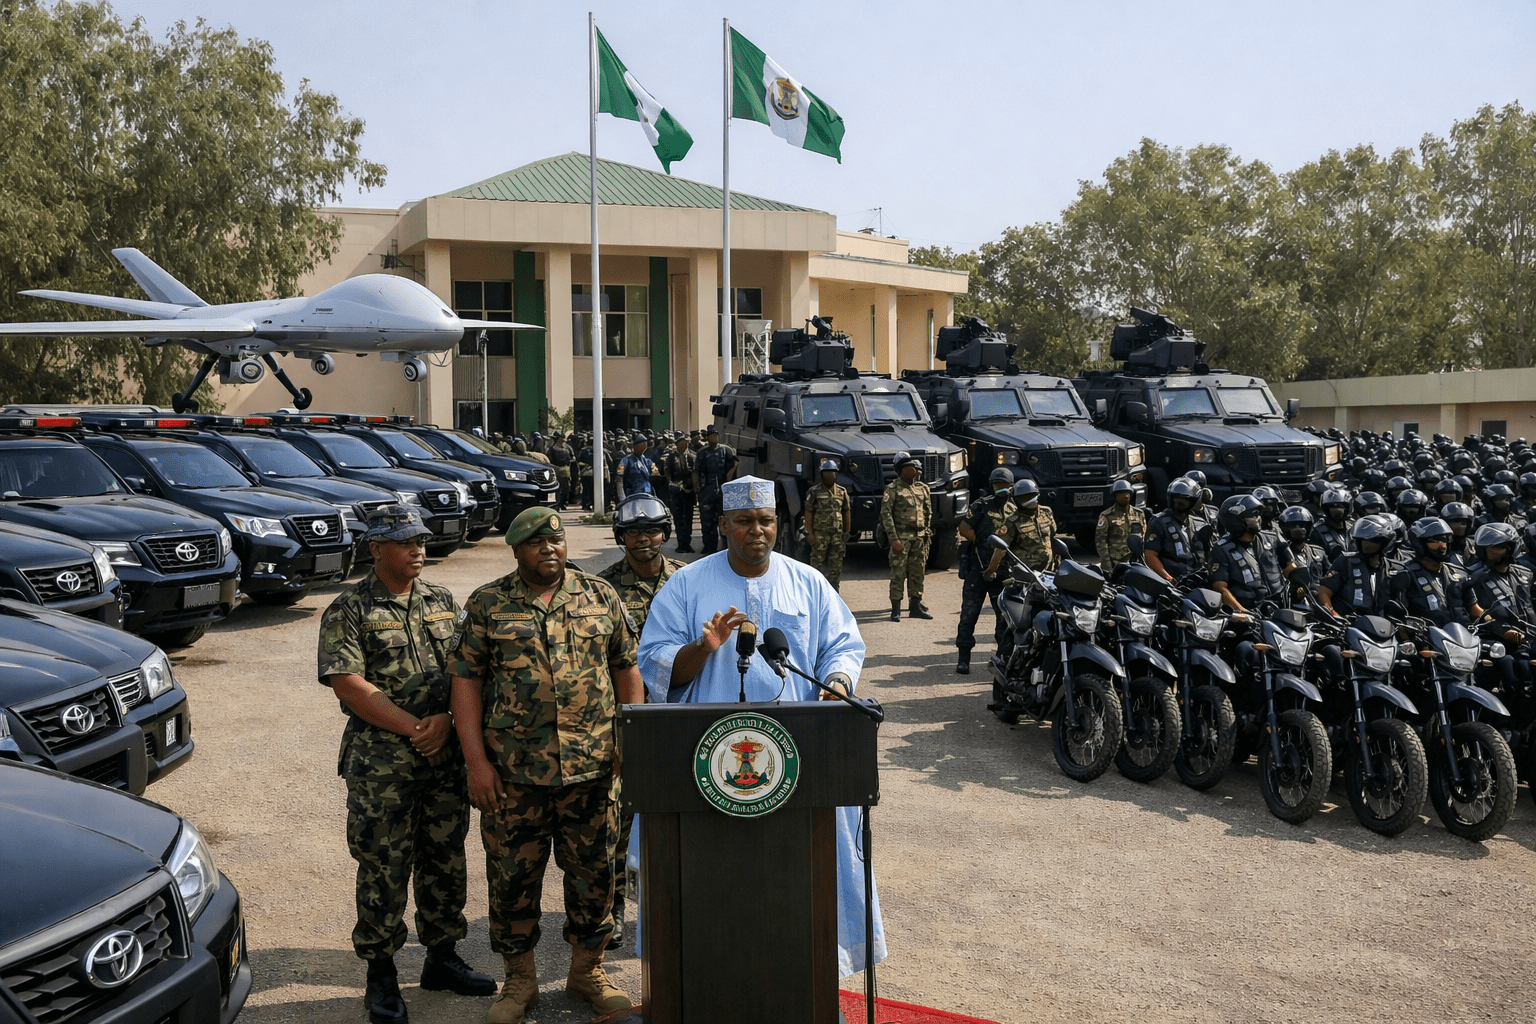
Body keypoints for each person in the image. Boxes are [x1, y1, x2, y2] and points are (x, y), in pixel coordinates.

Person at [635, 475, 885, 977]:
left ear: (778, 524)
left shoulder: (807, 581)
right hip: (707, 758)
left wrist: (836, 680)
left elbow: (841, 646)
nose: (757, 532)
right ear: (723, 524)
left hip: (799, 751)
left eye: (766, 521)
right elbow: (655, 664)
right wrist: (702, 649)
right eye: (744, 522)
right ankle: (709, 972)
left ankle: (808, 970)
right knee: (716, 873)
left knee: (804, 870)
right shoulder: (687, 586)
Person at [449, 508, 643, 1022]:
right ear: (516, 550)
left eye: (555, 541)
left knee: (596, 875)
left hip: (593, 769)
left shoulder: (599, 595)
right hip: (514, 776)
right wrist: (476, 762)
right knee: (512, 879)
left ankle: (587, 973)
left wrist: (631, 736)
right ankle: (520, 983)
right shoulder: (489, 603)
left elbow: (626, 666)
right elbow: (465, 682)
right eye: (536, 544)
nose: (548, 550)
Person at [316, 504, 496, 1024]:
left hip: (443, 762)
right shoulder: (349, 610)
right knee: (383, 868)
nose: (418, 548)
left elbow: (468, 670)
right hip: (382, 770)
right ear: (376, 549)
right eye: (404, 541)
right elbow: (349, 685)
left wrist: (444, 719)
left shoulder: (441, 600)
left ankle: (442, 959)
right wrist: (416, 727)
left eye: (420, 539)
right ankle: (382, 976)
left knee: (445, 861)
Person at [595, 494, 685, 946]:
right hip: (628, 718)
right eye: (633, 533)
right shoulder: (602, 588)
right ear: (621, 538)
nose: (643, 541)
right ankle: (611, 910)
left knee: (680, 818)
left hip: (681, 718)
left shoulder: (688, 582)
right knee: (619, 821)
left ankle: (679, 905)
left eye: (651, 532)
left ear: (665, 533)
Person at [955, 467, 1016, 674]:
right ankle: (964, 658)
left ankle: (1001, 658)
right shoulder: (981, 506)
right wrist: (981, 541)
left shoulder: (1014, 509)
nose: (1002, 489)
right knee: (969, 615)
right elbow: (964, 528)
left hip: (1003, 573)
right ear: (992, 485)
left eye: (1005, 485)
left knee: (1004, 618)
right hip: (978, 570)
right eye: (998, 485)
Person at [1209, 495, 1294, 614]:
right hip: (1249, 614)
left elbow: (1292, 569)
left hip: (1282, 609)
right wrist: (1242, 612)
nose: (1258, 519)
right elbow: (1221, 589)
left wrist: (1299, 587)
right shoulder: (1222, 549)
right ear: (1236, 519)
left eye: (1259, 514)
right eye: (1253, 515)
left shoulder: (1272, 538)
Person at [1390, 517, 1471, 627]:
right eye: (1436, 541)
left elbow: (1475, 609)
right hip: (1426, 640)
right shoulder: (1405, 575)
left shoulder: (1459, 573)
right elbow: (1397, 617)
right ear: (1419, 543)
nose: (1442, 546)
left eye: (1445, 541)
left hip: (1463, 637)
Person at [882, 452, 933, 622]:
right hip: (901, 539)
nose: (914, 470)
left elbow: (928, 511)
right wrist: (894, 539)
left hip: (920, 538)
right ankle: (895, 608)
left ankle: (915, 606)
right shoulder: (893, 489)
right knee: (898, 573)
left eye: (914, 468)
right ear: (901, 470)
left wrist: (926, 532)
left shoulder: (923, 488)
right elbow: (886, 516)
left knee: (918, 572)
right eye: (908, 468)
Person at [1318, 515, 1396, 620]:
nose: (1366, 544)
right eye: (1362, 540)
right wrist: (1334, 615)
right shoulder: (1345, 561)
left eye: (1373, 540)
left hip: (1383, 628)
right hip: (1348, 625)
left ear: (1384, 542)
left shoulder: (1393, 569)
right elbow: (1324, 592)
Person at [1143, 477, 1205, 582]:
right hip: (1173, 584)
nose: (1177, 505)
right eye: (1175, 500)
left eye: (1183, 502)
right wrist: (1169, 579)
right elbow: (1150, 555)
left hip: (1198, 580)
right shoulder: (1159, 522)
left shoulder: (1199, 524)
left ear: (1193, 501)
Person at [804, 458, 852, 590]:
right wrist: (810, 533)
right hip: (820, 535)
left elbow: (846, 511)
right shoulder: (814, 492)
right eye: (827, 473)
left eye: (833, 473)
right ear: (822, 474)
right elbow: (808, 513)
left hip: (837, 535)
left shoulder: (842, 492)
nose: (830, 475)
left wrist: (847, 531)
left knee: (836, 564)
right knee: (817, 564)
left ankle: (834, 590)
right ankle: (817, 590)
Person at [694, 425, 738, 554]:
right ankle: (709, 546)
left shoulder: (726, 451)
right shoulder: (702, 452)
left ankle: (726, 547)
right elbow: (696, 471)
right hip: (707, 491)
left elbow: (733, 467)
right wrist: (697, 489)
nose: (714, 437)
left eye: (716, 435)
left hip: (723, 491)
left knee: (725, 519)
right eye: (712, 435)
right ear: (707, 437)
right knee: (707, 521)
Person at [1094, 479, 1145, 574]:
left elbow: (1143, 539)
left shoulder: (1139, 514)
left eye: (1127, 493)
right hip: (1115, 564)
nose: (1125, 496)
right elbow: (1101, 542)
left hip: (1135, 563)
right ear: (1115, 496)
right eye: (1121, 493)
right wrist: (1107, 567)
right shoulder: (1106, 516)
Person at [661, 433, 697, 553]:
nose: (683, 445)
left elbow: (696, 473)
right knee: (678, 517)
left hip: (689, 492)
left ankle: (687, 543)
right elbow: (667, 472)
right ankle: (681, 543)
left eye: (685, 443)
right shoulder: (671, 457)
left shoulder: (692, 456)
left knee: (688, 518)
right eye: (681, 443)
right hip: (676, 491)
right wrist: (674, 483)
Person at [617, 434, 659, 499]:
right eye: (641, 444)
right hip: (631, 496)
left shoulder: (648, 461)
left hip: (648, 495)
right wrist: (622, 498)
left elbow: (656, 478)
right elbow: (619, 480)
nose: (644, 447)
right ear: (635, 446)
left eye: (645, 445)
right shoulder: (625, 460)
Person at [546, 432, 574, 510]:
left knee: (566, 488)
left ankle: (563, 503)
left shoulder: (568, 448)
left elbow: (572, 458)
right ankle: (556, 504)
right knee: (556, 488)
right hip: (555, 469)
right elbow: (548, 459)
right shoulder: (551, 449)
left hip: (565, 470)